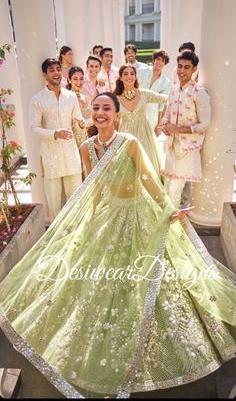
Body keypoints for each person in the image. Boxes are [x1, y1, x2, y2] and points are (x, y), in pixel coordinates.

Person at [0, 92, 235, 400]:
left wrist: (168, 209)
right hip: (107, 216)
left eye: (106, 108)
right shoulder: (86, 147)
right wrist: (90, 220)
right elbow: (94, 185)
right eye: (95, 108)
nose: (100, 113)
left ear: (116, 115)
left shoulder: (130, 143)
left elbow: (150, 180)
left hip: (138, 213)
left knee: (154, 274)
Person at [30, 58, 85, 222]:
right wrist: (55, 133)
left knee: (76, 198)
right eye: (52, 70)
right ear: (44, 75)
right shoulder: (38, 99)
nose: (56, 73)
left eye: (58, 69)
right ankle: (55, 237)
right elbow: (34, 128)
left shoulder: (71, 97)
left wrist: (81, 123)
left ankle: (76, 233)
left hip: (71, 153)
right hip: (50, 155)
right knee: (54, 204)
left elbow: (78, 119)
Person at [161, 51, 211, 208]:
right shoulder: (174, 89)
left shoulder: (200, 93)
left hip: (188, 148)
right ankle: (168, 222)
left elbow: (205, 124)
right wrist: (165, 126)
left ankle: (173, 225)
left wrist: (178, 129)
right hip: (171, 145)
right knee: (167, 185)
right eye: (180, 66)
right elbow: (167, 113)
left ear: (194, 69)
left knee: (176, 187)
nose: (182, 71)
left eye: (187, 67)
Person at [114, 64, 168, 175]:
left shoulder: (144, 94)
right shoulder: (115, 98)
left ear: (136, 76)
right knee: (128, 170)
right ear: (120, 77)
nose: (129, 76)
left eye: (132, 73)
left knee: (147, 168)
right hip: (125, 136)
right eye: (125, 74)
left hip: (145, 136)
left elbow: (166, 99)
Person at [138, 50, 171, 130]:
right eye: (158, 59)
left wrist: (159, 123)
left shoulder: (166, 82)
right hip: (137, 108)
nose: (159, 62)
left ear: (164, 64)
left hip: (152, 114)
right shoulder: (141, 71)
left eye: (162, 61)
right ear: (153, 60)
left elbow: (161, 105)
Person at [66, 66, 89, 148]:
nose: (79, 82)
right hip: (72, 141)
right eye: (75, 79)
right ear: (69, 80)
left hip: (86, 139)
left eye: (81, 79)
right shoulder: (66, 98)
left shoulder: (85, 97)